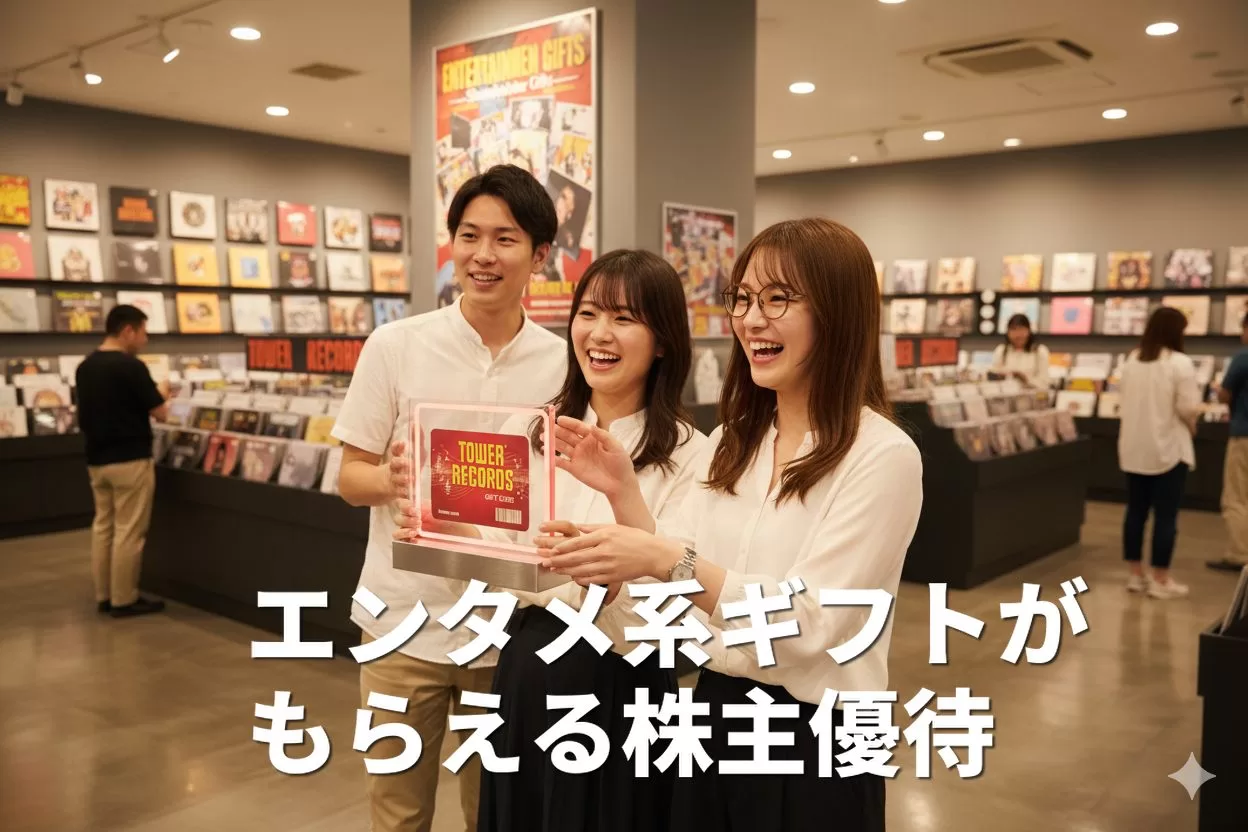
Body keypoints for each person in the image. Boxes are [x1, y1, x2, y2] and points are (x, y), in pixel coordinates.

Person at [543, 218, 923, 832]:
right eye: (742, 299)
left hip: (821, 739)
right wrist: (623, 499)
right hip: (714, 713)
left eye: (778, 299)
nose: (751, 320)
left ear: (838, 313)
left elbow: (809, 625)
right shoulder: (732, 443)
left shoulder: (882, 456)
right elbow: (675, 595)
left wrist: (668, 560)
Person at [401, 249, 705, 832]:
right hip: (526, 670)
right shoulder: (529, 430)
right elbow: (490, 567)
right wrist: (444, 526)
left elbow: (675, 606)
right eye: (588, 313)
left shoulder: (694, 454)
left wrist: (599, 565)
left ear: (664, 341)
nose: (599, 333)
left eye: (624, 318)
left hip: (625, 686)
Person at [332, 165, 567, 832]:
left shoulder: (563, 363)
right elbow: (350, 478)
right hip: (400, 623)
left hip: (507, 632)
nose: (482, 255)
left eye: (505, 239)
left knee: (492, 813)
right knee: (397, 812)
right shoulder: (395, 345)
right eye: (469, 235)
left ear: (539, 256)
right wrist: (394, 481)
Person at [75, 304, 169, 617]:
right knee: (130, 531)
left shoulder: (85, 366)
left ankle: (104, 595)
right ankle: (124, 599)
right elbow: (160, 412)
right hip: (130, 459)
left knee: (103, 526)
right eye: (143, 332)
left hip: (96, 459)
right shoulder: (131, 367)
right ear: (127, 330)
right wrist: (162, 393)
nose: (145, 339)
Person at [1117, 306, 1203, 599]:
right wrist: (1192, 425)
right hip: (1169, 449)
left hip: (1133, 448)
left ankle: (1135, 574)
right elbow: (1188, 407)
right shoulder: (1180, 363)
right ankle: (1160, 578)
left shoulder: (1132, 359)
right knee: (1166, 516)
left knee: (1135, 512)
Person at [1212, 311, 1248, 571]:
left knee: (1236, 497)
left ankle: (1239, 553)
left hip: (1244, 434)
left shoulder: (1243, 357)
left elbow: (1225, 394)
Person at [990, 313, 1050, 389]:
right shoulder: (1001, 350)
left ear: (1029, 331)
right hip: (1006, 394)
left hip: (1031, 394)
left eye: (1021, 329)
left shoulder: (1040, 351)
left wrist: (1026, 379)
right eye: (1014, 329)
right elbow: (993, 378)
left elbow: (1045, 384)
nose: (1018, 334)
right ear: (1008, 332)